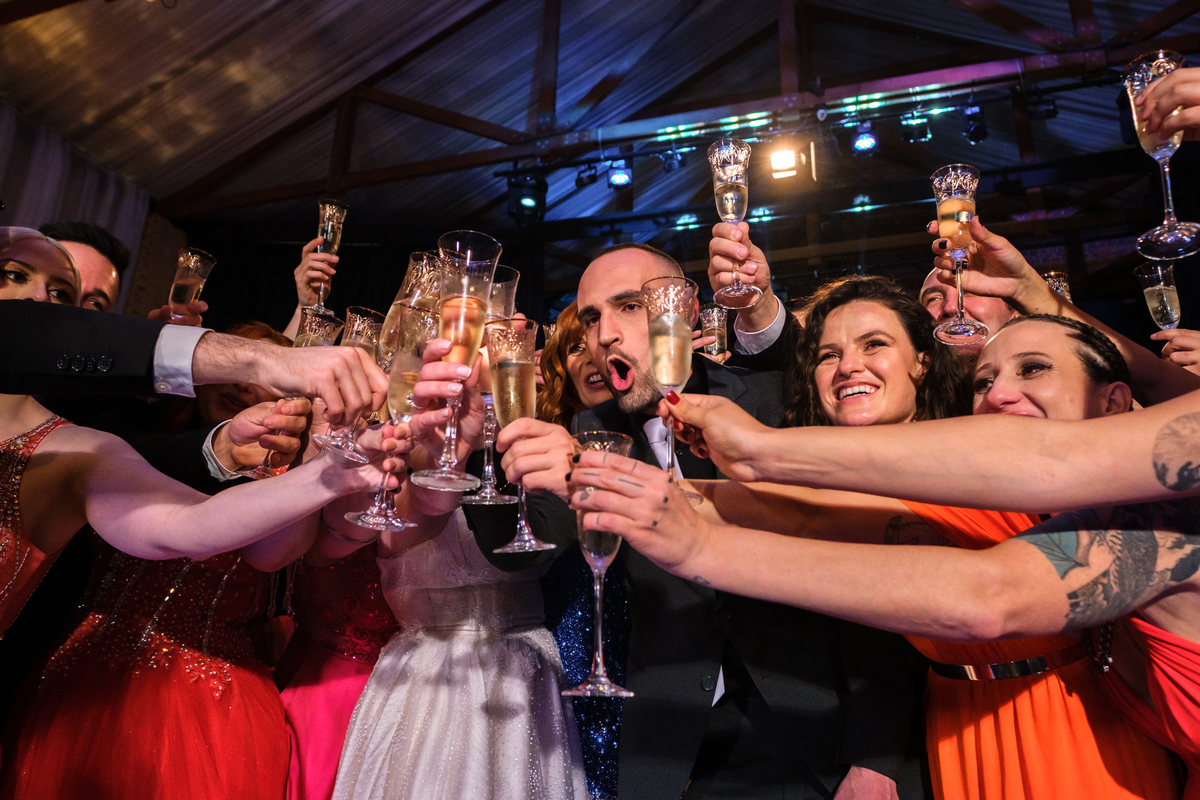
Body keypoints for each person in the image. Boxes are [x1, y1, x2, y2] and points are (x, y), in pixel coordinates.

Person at [604, 308, 1179, 800]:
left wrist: (743, 480)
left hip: (1072, 747)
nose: (999, 394)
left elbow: (990, 584)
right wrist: (598, 476)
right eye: (982, 382)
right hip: (957, 743)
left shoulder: (1158, 521)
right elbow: (807, 513)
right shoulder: (1072, 516)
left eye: (1033, 369)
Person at [494, 243, 928, 800]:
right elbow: (529, 547)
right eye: (592, 318)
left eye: (629, 305)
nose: (604, 335)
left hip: (822, 736)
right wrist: (486, 447)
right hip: (676, 751)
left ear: (688, 311)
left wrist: (877, 757)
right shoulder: (583, 434)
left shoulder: (775, 399)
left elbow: (881, 581)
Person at [0, 324, 349, 800]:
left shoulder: (286, 474)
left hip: (208, 698)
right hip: (76, 680)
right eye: (243, 366)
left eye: (275, 376)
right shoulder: (126, 443)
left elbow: (267, 554)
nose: (245, 386)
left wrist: (320, 463)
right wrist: (221, 444)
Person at [328, 340, 589, 800]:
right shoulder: (392, 475)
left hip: (526, 674)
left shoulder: (530, 464)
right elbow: (429, 503)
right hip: (428, 683)